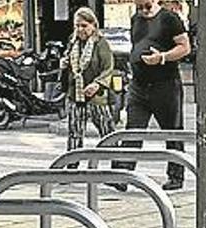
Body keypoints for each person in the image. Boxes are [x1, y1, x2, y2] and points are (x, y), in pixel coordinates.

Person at [111, 0, 191, 191]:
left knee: (172, 131)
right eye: (140, 7)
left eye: (147, 6)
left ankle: (176, 176)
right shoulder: (135, 19)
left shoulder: (169, 19)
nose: (144, 11)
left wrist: (162, 57)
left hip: (165, 84)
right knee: (132, 130)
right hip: (139, 85)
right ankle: (123, 175)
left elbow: (184, 47)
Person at [62, 8, 116, 164]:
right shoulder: (73, 41)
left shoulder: (101, 43)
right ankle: (71, 168)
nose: (80, 30)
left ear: (93, 25)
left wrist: (97, 84)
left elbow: (108, 68)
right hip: (76, 95)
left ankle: (117, 168)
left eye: (84, 26)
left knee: (107, 132)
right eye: (77, 26)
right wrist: (64, 64)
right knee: (74, 134)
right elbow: (68, 61)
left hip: (96, 97)